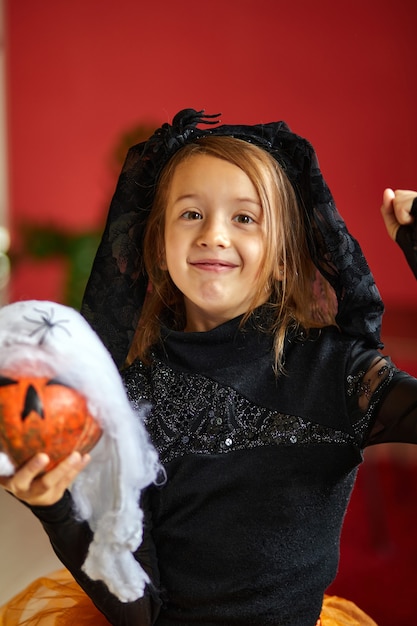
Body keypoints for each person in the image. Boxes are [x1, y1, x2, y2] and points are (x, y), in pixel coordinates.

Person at [1, 109, 417, 626]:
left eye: (244, 218)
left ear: (285, 254)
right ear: (158, 244)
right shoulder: (126, 398)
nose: (214, 234)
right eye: (191, 214)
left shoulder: (338, 374)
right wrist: (57, 506)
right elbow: (141, 612)